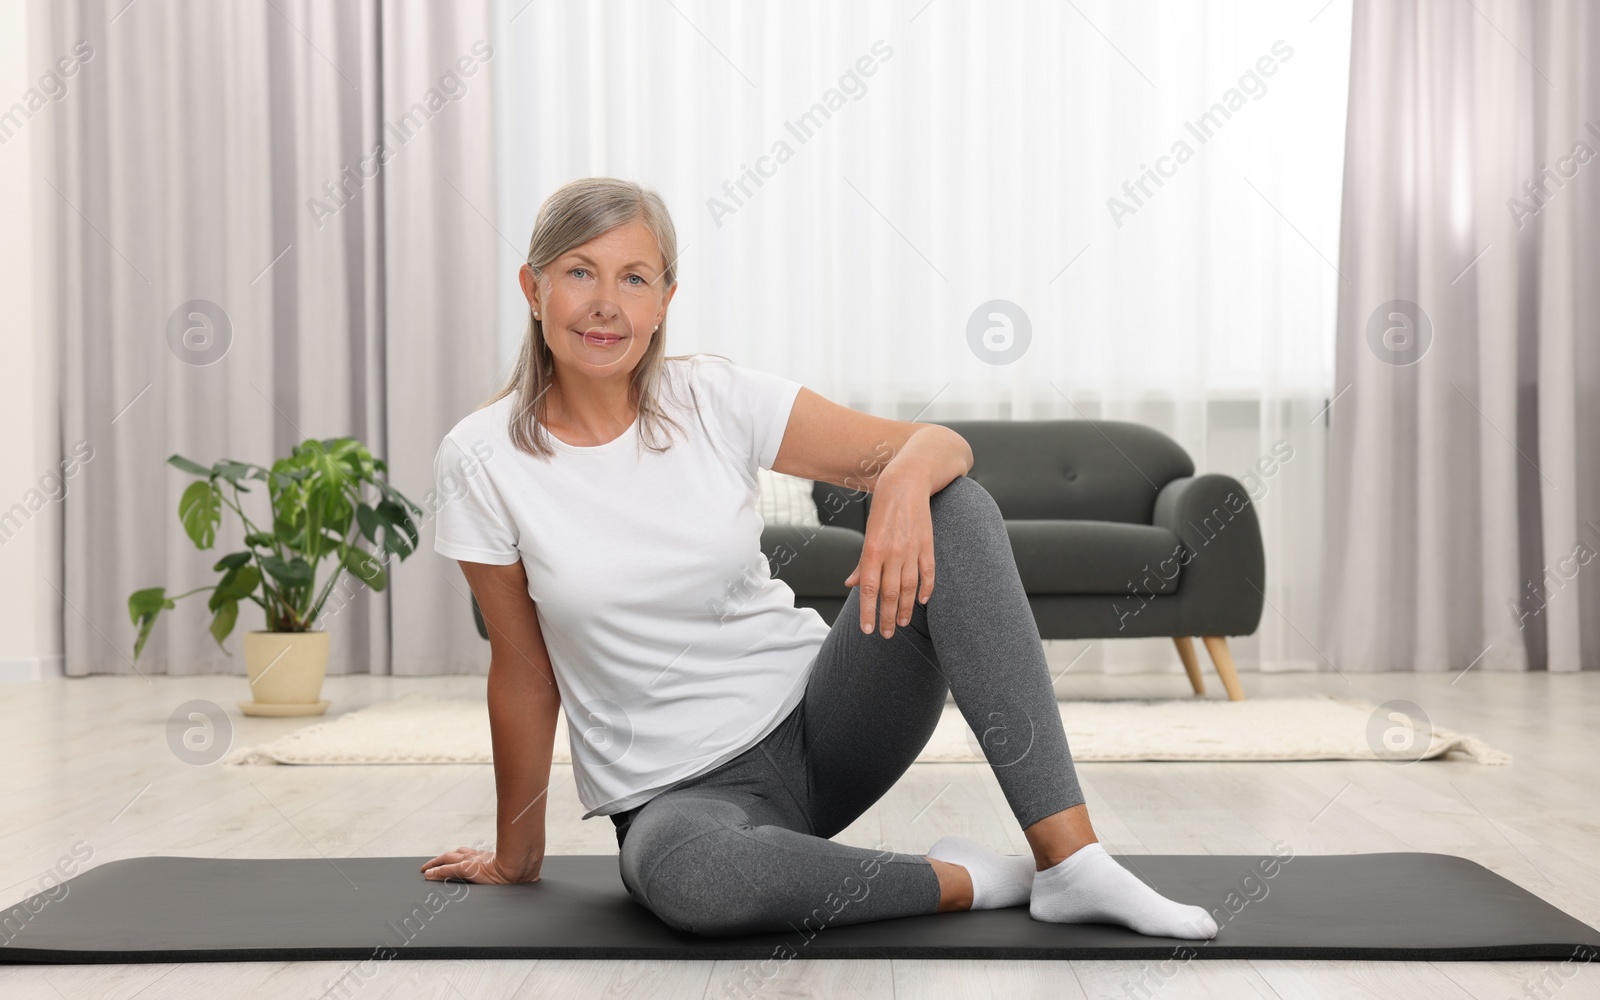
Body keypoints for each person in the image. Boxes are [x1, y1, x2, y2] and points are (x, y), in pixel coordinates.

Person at [422, 176, 1217, 941]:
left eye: (634, 277)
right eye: (579, 273)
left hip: (826, 724)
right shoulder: (481, 456)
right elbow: (524, 672)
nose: (605, 303)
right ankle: (973, 881)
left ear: (665, 300)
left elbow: (943, 446)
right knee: (696, 882)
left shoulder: (714, 398)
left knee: (956, 504)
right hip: (676, 799)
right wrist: (517, 858)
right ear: (533, 288)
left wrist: (903, 479)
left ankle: (1072, 861)